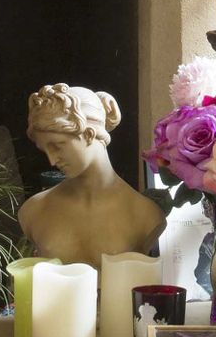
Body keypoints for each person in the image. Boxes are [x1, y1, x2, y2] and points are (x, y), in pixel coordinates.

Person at [19, 84, 162, 269]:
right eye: (44, 150)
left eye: (58, 146)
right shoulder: (34, 211)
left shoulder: (147, 216)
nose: (52, 160)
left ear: (89, 134)